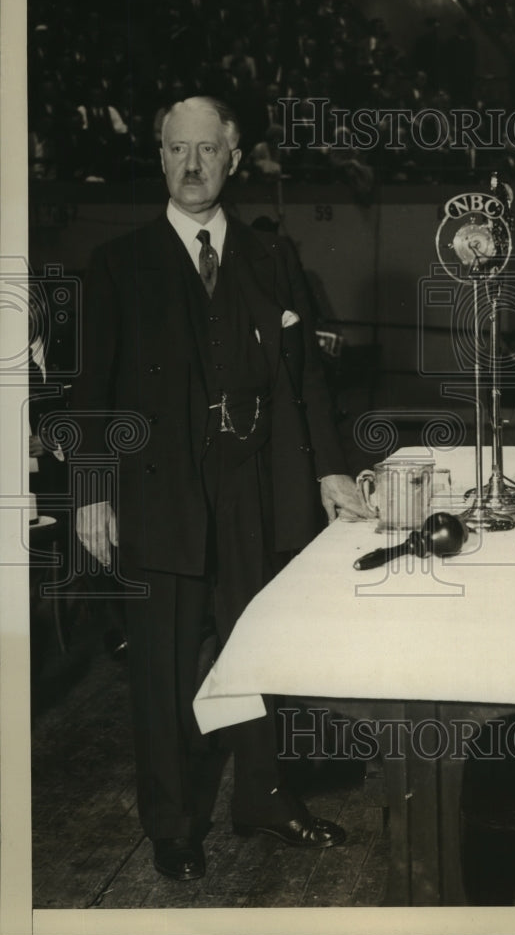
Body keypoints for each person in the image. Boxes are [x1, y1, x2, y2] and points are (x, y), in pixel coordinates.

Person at [72, 96, 371, 882]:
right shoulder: (119, 264)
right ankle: (171, 823)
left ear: (234, 159)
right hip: (157, 496)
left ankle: (264, 799)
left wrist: (331, 469)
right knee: (163, 672)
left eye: (208, 150)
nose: (193, 165)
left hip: (255, 493)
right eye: (178, 150)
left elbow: (306, 380)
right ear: (161, 157)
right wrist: (92, 489)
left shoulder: (274, 261)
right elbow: (90, 394)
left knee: (258, 650)